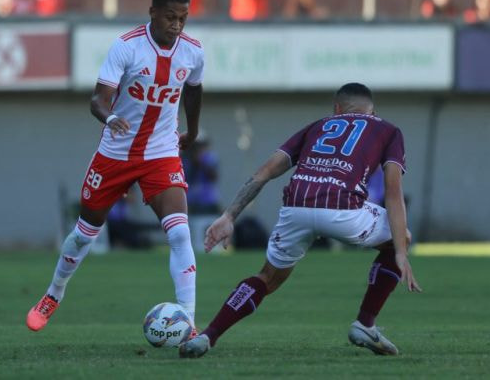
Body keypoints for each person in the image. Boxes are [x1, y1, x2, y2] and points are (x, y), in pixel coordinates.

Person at [180, 83, 422, 359]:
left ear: (337, 109)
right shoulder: (388, 130)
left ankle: (208, 336)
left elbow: (265, 172)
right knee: (402, 236)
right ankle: (365, 323)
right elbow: (393, 192)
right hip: (344, 210)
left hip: (296, 207)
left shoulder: (317, 126)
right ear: (373, 111)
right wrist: (401, 251)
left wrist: (228, 215)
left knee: (267, 278)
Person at [27, 0, 205, 333]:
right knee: (84, 233)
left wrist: (193, 130)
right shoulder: (127, 47)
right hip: (116, 151)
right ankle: (53, 293)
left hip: (161, 152)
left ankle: (188, 319)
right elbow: (98, 99)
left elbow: (194, 90)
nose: (177, 25)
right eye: (170, 17)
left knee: (180, 233)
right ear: (153, 12)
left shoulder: (193, 52)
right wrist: (109, 118)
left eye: (183, 18)